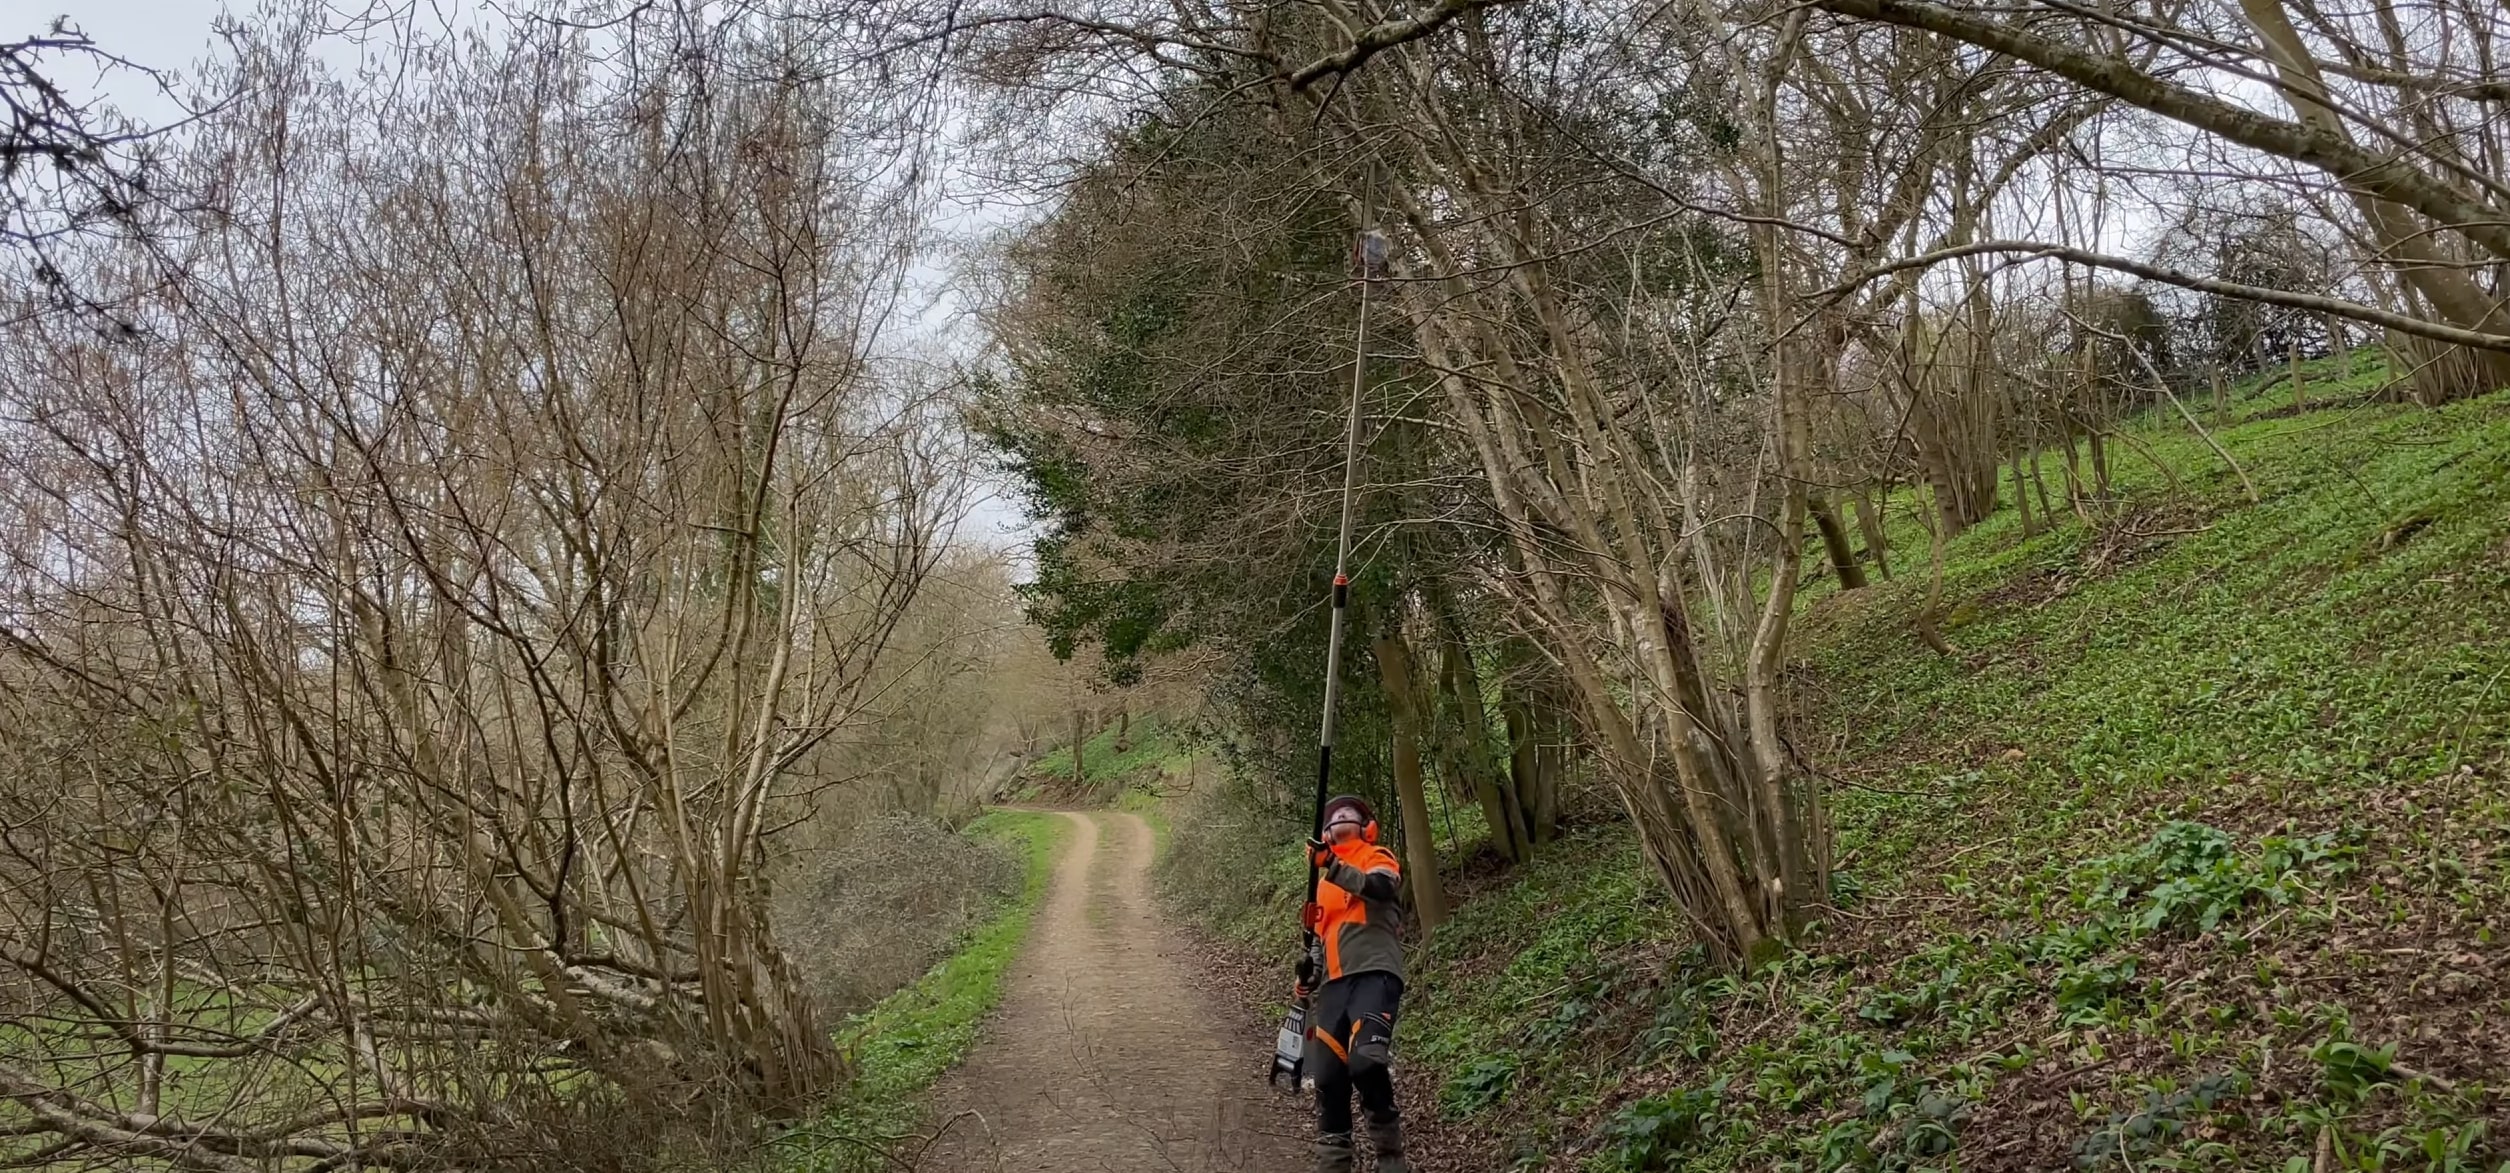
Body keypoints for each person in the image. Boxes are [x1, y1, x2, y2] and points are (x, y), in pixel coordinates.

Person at [1297, 795, 1409, 1173]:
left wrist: (1332, 864)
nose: (1341, 815)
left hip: (1375, 973)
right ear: (1325, 833)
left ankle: (1390, 1158)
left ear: (1367, 827)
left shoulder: (1377, 856)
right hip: (1334, 987)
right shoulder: (1320, 887)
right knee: (1329, 1080)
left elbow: (1379, 888)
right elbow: (1318, 941)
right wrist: (1309, 975)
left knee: (1366, 1061)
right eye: (1333, 816)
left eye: (1351, 813)